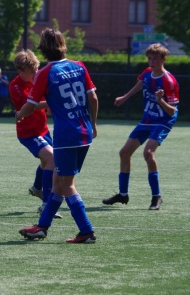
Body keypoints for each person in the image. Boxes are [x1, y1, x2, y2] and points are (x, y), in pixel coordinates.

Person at [17, 28, 99, 244]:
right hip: (84, 132)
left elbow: (30, 105)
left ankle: (86, 231)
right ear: (63, 45)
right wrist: (94, 123)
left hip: (66, 136)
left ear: (43, 49)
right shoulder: (79, 66)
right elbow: (94, 99)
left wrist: (19, 114)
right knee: (57, 182)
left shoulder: (45, 73)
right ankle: (42, 227)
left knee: (66, 184)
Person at [102, 43, 179, 210]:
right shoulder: (147, 73)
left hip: (163, 120)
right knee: (124, 152)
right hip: (147, 119)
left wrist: (160, 101)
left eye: (156, 59)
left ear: (164, 59)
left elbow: (173, 112)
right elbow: (141, 83)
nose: (152, 62)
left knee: (148, 153)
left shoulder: (169, 81)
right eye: (150, 58)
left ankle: (156, 196)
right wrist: (125, 97)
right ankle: (123, 195)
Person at [10, 49, 61, 219]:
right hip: (28, 133)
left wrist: (51, 106)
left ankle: (37, 188)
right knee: (52, 159)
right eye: (31, 72)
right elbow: (31, 106)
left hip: (43, 130)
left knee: (48, 161)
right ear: (20, 71)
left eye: (36, 71)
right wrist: (54, 102)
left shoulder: (37, 78)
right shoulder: (15, 86)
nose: (35, 75)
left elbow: (44, 99)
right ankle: (47, 204)